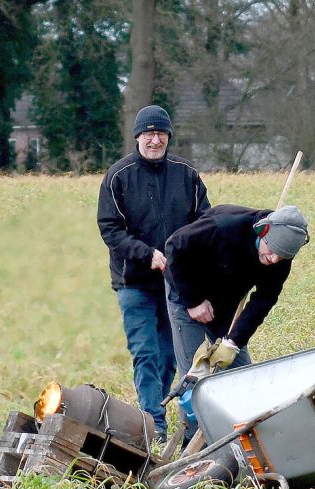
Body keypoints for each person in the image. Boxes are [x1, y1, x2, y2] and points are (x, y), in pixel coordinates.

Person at [97, 105, 211, 442]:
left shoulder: (186, 174)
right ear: (137, 137)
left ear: (168, 137)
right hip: (134, 282)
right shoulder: (118, 176)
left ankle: (157, 412)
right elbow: (110, 229)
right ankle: (154, 425)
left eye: (161, 133)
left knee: (168, 357)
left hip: (175, 285)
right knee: (145, 352)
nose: (155, 139)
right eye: (149, 133)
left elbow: (203, 221)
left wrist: (186, 258)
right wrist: (147, 254)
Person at [164, 204, 310, 380]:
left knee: (242, 375)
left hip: (225, 304)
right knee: (194, 374)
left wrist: (233, 342)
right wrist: (194, 301)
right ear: (262, 232)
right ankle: (192, 402)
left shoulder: (282, 256)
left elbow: (264, 299)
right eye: (271, 251)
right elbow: (174, 247)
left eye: (282, 257)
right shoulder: (224, 226)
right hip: (187, 292)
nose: (273, 260)